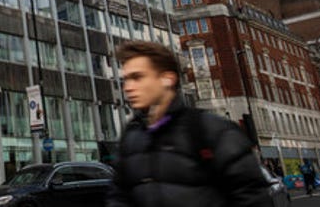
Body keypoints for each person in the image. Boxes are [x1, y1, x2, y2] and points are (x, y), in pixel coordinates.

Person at [107, 41, 273, 207]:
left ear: (167, 79)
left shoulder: (213, 131)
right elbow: (119, 197)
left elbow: (253, 198)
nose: (127, 87)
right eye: (125, 80)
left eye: (137, 77)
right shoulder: (131, 136)